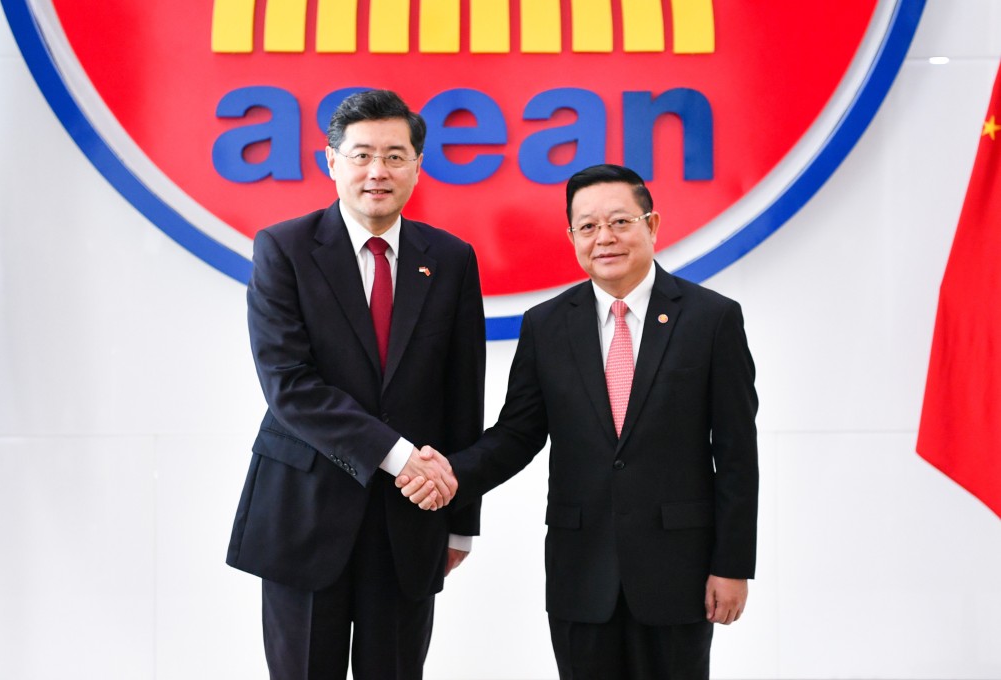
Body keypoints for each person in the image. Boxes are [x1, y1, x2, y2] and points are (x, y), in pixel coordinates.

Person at [400, 164, 758, 679]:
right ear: (572, 238)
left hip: (678, 571)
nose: (604, 238)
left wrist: (732, 565)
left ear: (652, 225)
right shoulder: (546, 325)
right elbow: (518, 434)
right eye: (588, 226)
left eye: (620, 222)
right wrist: (450, 474)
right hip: (581, 571)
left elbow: (737, 454)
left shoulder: (711, 319)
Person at [226, 89, 485, 680]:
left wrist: (461, 520)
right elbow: (289, 385)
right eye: (362, 154)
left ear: (417, 166)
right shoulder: (285, 249)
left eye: (395, 156)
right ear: (332, 161)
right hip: (305, 512)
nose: (377, 171)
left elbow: (463, 395)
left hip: (409, 522)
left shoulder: (451, 259)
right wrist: (398, 456)